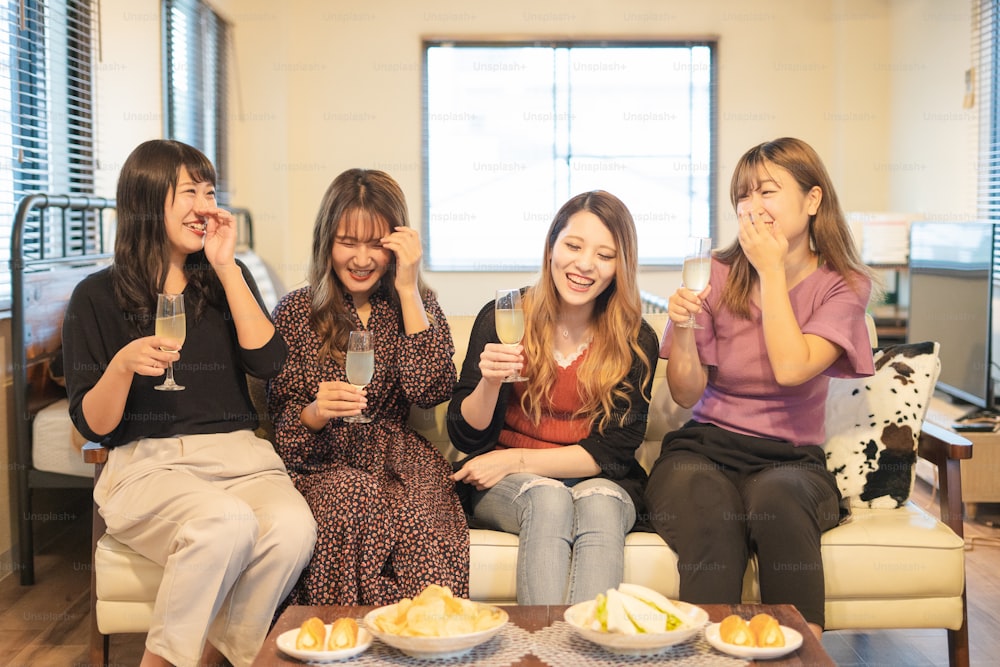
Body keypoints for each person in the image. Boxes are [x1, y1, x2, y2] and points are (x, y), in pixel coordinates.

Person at [62, 139, 317, 667]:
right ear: (146, 200)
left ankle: (212, 660)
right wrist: (122, 366)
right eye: (189, 192)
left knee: (295, 528)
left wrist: (226, 266)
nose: (205, 206)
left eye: (210, 190)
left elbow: (269, 363)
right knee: (226, 521)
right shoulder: (95, 296)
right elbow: (93, 425)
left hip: (242, 460)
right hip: (150, 467)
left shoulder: (224, 280)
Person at [644, 137, 878, 639]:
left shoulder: (843, 284)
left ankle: (799, 650)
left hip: (791, 459)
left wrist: (771, 270)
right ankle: (708, 648)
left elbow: (793, 367)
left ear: (812, 201)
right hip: (703, 449)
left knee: (779, 499)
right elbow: (686, 395)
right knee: (709, 509)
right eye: (743, 196)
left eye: (767, 192)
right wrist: (682, 328)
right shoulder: (716, 273)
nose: (753, 208)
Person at [267, 168, 469, 606]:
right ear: (327, 243)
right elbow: (283, 429)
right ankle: (342, 640)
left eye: (375, 244)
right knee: (351, 496)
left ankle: (422, 646)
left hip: (396, 460)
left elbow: (429, 388)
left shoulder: (413, 302)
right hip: (323, 465)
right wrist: (316, 412)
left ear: (397, 243)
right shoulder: (296, 311)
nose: (361, 259)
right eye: (347, 242)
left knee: (420, 521)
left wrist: (410, 286)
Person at [449, 190, 658, 605]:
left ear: (620, 267)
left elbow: (613, 452)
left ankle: (583, 654)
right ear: (550, 249)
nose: (584, 264)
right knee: (548, 498)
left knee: (599, 507)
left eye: (605, 254)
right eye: (573, 246)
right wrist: (490, 384)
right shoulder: (504, 317)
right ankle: (543, 649)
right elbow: (466, 439)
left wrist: (517, 458)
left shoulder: (636, 340)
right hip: (512, 485)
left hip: (599, 478)